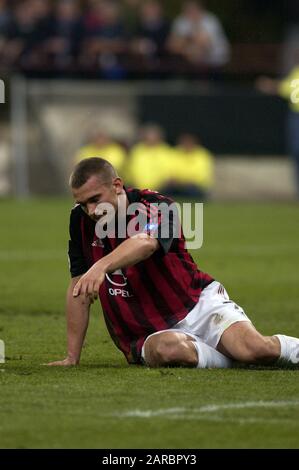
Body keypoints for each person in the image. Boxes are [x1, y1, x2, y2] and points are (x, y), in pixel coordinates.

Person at [47, 157, 299, 368]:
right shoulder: (79, 221)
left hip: (198, 304)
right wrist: (72, 356)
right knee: (171, 351)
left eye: (94, 199)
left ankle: (246, 354)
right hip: (146, 332)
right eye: (82, 203)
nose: (90, 210)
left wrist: (101, 265)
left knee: (257, 349)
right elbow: (78, 287)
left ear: (117, 185)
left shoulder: (158, 205)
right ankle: (234, 357)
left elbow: (146, 243)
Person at [256, 66, 299, 199]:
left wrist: (272, 85)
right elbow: (290, 88)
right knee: (296, 152)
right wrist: (274, 86)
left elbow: (290, 90)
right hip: (296, 114)